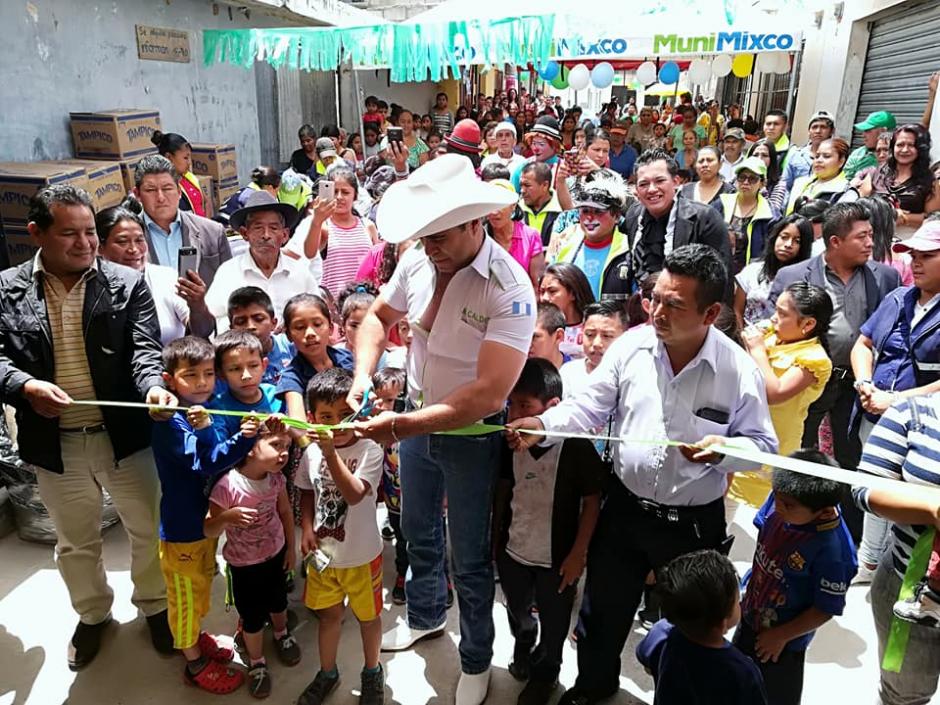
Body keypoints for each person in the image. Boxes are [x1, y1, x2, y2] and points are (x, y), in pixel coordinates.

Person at [506, 244, 778, 705]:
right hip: (626, 510)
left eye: (675, 305)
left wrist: (726, 450)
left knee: (690, 626)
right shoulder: (631, 347)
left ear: (711, 312)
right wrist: (543, 426)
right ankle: (593, 687)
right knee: (601, 613)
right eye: (656, 299)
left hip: (692, 523)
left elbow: (764, 449)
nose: (657, 312)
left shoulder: (736, 370)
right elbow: (589, 405)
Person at [347, 155, 535, 705]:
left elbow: (488, 394)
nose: (431, 246)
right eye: (423, 235)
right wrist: (363, 377)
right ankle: (427, 613)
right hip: (412, 415)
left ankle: (476, 658)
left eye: (442, 234)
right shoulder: (416, 263)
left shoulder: (508, 287)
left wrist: (399, 424)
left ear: (476, 222)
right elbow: (378, 318)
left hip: (470, 434)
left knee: (469, 555)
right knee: (416, 527)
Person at [0, 184, 177, 670]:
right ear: (36, 233)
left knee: (147, 528)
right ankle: (94, 614)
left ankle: (155, 606)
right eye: (69, 234)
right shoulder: (7, 288)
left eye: (89, 233)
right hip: (54, 443)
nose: (85, 244)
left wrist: (152, 390)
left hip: (124, 437)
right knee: (76, 540)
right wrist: (25, 386)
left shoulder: (124, 282)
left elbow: (143, 350)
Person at [770, 202, 901, 540]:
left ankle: (851, 536)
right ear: (835, 242)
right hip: (806, 381)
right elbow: (774, 331)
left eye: (871, 235)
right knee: (799, 454)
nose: (871, 243)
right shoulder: (792, 276)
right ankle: (792, 527)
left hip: (857, 385)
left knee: (853, 458)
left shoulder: (886, 277)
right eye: (862, 237)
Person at [151, 336, 260, 693]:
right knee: (184, 598)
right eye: (191, 375)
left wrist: (210, 427)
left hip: (201, 526)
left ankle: (196, 638)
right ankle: (194, 663)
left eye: (209, 374)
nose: (202, 382)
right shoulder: (169, 422)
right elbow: (204, 462)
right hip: (183, 529)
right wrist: (242, 440)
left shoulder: (203, 409)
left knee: (199, 589)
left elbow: (212, 446)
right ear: (169, 381)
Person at [493, 359, 605, 705]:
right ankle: (524, 640)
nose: (514, 415)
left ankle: (546, 674)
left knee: (555, 623)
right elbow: (502, 489)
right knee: (517, 608)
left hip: (558, 560)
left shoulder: (575, 447)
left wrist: (578, 554)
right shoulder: (508, 442)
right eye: (510, 404)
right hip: (513, 552)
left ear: (551, 407)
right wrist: (495, 543)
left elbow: (593, 500)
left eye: (524, 406)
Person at [850, 220, 940, 582]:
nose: (916, 263)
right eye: (913, 255)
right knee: (873, 486)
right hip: (872, 411)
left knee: (908, 500)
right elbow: (864, 344)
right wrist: (865, 383)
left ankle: (885, 567)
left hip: (920, 427)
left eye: (927, 256)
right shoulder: (897, 298)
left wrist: (898, 401)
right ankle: (870, 563)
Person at [295, 368, 386, 705]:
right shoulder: (311, 451)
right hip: (324, 557)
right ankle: (327, 672)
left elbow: (353, 494)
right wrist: (305, 528)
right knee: (329, 617)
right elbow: (306, 491)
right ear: (312, 418)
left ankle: (372, 671)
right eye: (326, 417)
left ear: (360, 412)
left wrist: (331, 453)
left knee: (368, 618)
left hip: (362, 557)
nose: (337, 425)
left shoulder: (370, 451)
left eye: (346, 416)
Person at [735, 458, 856, 705]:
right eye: (776, 497)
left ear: (822, 510)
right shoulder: (783, 498)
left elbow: (825, 608)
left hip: (782, 643)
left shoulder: (835, 552)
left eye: (788, 506)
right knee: (733, 684)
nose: (778, 508)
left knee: (772, 697)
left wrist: (781, 636)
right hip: (749, 614)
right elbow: (763, 544)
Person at [852, 395, 940, 702]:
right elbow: (865, 489)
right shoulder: (914, 414)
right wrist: (932, 509)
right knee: (904, 694)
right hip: (909, 587)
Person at [204, 422, 299, 698]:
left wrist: (291, 549)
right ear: (250, 449)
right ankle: (257, 662)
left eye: (287, 447)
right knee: (252, 615)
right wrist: (226, 517)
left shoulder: (276, 479)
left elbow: (285, 512)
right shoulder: (226, 486)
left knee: (279, 600)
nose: (284, 454)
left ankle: (282, 633)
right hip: (244, 566)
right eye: (276, 445)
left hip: (276, 553)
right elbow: (208, 529)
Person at [736, 283, 833, 507]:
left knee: (750, 526)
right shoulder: (772, 335)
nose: (773, 318)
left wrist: (758, 351)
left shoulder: (815, 359)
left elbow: (775, 393)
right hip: (739, 433)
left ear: (808, 324)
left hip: (771, 448)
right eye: (775, 310)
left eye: (782, 314)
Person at [636, 550, 768, 705]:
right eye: (737, 600)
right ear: (722, 624)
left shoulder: (662, 632)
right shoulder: (743, 671)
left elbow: (648, 666)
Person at [608, 149, 731, 300]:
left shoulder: (705, 218)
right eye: (644, 184)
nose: (652, 189)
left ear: (676, 182)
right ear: (636, 189)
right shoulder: (633, 215)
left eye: (659, 181)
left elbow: (722, 279)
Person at [96, 199, 214, 342]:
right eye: (122, 242)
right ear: (100, 247)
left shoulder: (166, 278)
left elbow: (202, 331)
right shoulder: (93, 288)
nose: (134, 249)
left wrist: (197, 305)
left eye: (139, 240)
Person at [204, 191, 318, 332]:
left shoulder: (300, 272)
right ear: (245, 233)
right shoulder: (228, 273)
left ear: (285, 235)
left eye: (273, 228)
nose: (266, 235)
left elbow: (316, 314)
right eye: (258, 228)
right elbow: (213, 321)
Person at [135, 154, 232, 290]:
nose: (160, 197)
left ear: (179, 192)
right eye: (151, 190)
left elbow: (230, 288)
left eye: (167, 188)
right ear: (137, 194)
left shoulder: (212, 232)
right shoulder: (126, 239)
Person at [296, 165, 379, 297]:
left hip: (364, 303)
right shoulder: (324, 226)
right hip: (334, 305)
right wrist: (316, 220)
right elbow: (309, 253)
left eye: (345, 192)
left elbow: (377, 263)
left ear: (355, 196)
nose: (339, 197)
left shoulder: (368, 226)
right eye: (335, 192)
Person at [552, 169, 631, 299]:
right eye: (585, 211)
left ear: (616, 216)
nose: (589, 217)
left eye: (598, 212)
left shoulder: (629, 251)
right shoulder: (566, 245)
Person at [276, 293, 354, 423]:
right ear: (288, 335)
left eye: (317, 324)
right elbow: (299, 424)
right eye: (300, 327)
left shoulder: (347, 359)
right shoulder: (291, 377)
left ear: (330, 328)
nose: (310, 334)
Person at [853, 124, 940, 229]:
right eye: (900, 145)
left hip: (907, 239)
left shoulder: (929, 181)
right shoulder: (876, 174)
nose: (904, 150)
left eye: (911, 145)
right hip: (871, 232)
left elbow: (934, 219)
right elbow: (858, 205)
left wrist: (904, 218)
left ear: (921, 149)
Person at [734, 214, 814, 327]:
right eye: (784, 237)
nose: (788, 245)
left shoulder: (805, 280)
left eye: (797, 241)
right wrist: (743, 337)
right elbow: (737, 310)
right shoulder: (752, 271)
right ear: (775, 237)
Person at [209, 329, 283, 433]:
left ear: (264, 365)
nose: (246, 376)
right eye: (235, 369)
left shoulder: (277, 395)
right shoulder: (218, 408)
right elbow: (218, 447)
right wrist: (242, 436)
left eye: (253, 366)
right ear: (220, 374)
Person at [558, 300, 627, 400]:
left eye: (607, 336)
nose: (596, 344)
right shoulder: (568, 373)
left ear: (625, 337)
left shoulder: (630, 376)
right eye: (590, 334)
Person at [719, 157, 778, 274]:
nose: (746, 182)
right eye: (742, 177)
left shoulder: (770, 214)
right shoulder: (721, 203)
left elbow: (769, 252)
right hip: (719, 271)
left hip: (751, 275)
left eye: (752, 179)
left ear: (762, 183)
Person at [227, 286, 296, 387]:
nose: (250, 326)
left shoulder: (291, 347)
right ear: (232, 329)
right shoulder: (227, 360)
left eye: (258, 319)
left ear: (273, 323)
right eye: (241, 322)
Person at [486, 179, 544, 287]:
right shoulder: (480, 239)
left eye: (500, 204)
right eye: (490, 205)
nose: (494, 212)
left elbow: (537, 285)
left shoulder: (530, 236)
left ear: (513, 205)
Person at [538, 262, 596, 360]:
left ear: (573, 293)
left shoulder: (595, 327)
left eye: (552, 291)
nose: (544, 298)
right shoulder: (537, 328)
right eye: (542, 292)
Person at [786, 138, 850, 215]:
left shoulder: (845, 191)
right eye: (817, 156)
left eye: (826, 156)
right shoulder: (800, 183)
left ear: (841, 161)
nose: (819, 160)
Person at [151, 131, 206, 218]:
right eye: (185, 158)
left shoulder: (190, 178)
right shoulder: (162, 187)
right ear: (169, 157)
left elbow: (206, 202)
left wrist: (208, 225)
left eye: (189, 158)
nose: (189, 163)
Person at [780, 110, 834, 192]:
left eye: (823, 127)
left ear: (832, 131)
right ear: (809, 131)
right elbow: (785, 186)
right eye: (814, 127)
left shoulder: (836, 158)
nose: (818, 131)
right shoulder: (796, 156)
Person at [519, 162, 564, 247]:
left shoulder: (562, 211)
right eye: (521, 185)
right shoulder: (515, 213)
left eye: (527, 185)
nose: (522, 190)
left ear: (544, 185)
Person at [512, 116, 563, 190]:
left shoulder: (563, 169)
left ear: (555, 146)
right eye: (533, 143)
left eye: (541, 144)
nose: (535, 149)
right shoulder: (522, 167)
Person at [844, 110, 897, 180]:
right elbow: (845, 180)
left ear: (883, 131)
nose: (863, 135)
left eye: (868, 130)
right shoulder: (858, 154)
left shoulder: (900, 155)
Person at [748, 139, 789, 215]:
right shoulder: (740, 178)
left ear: (772, 159)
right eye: (755, 155)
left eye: (764, 155)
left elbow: (774, 212)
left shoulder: (779, 183)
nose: (759, 159)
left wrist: (762, 188)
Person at [528, 303, 569, 370]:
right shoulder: (514, 372)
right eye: (525, 337)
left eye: (534, 337)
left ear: (558, 336)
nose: (527, 344)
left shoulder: (578, 374)